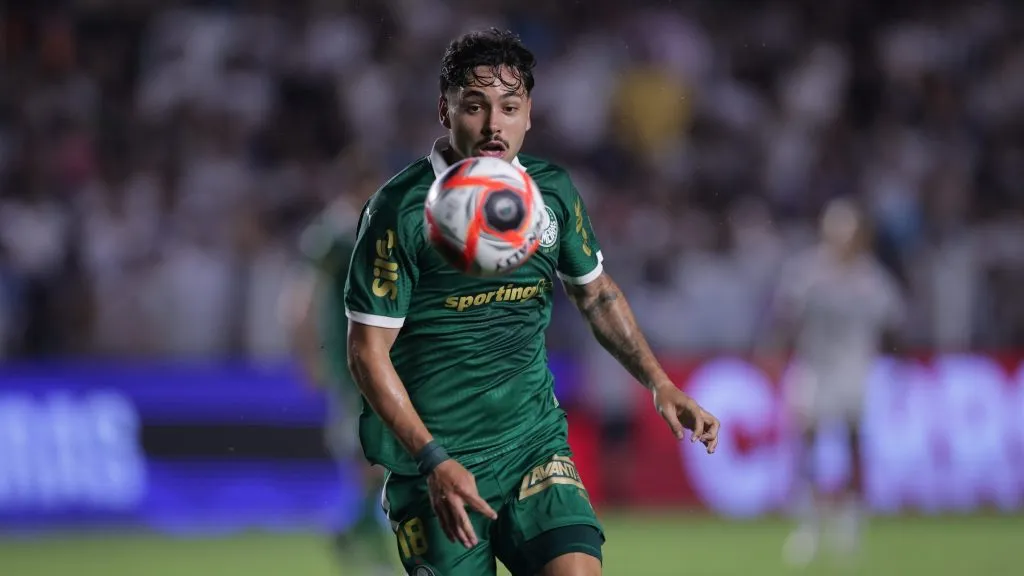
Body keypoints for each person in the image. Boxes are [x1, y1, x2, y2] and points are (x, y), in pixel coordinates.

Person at [343, 28, 720, 576]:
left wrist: (659, 382)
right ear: (444, 112)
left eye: (510, 107)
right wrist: (432, 458)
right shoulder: (398, 212)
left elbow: (595, 294)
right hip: (433, 466)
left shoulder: (553, 194)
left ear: (529, 115)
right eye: (475, 106)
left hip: (532, 446)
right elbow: (366, 353)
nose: (494, 125)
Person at [767, 198, 905, 567]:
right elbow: (784, 318)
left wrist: (887, 356)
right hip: (814, 368)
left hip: (854, 370)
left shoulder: (870, 277)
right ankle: (809, 524)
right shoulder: (807, 272)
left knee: (853, 442)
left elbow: (896, 320)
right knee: (808, 444)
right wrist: (775, 355)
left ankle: (851, 518)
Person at [283, 196, 396, 576]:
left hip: (374, 359)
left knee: (376, 453)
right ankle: (361, 534)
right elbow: (302, 297)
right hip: (353, 361)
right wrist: (306, 352)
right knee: (370, 451)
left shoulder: (369, 230)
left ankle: (356, 529)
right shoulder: (336, 235)